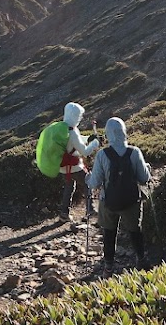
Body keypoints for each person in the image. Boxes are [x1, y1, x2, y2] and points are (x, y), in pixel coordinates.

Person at [87, 116, 151, 274]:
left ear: (108, 134)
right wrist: (147, 168)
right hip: (131, 201)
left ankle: (108, 267)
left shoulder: (102, 155)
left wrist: (88, 178)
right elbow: (144, 178)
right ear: (124, 132)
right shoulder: (134, 152)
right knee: (135, 231)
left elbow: (94, 183)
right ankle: (141, 260)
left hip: (108, 201)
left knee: (109, 233)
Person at [59, 102, 100, 223]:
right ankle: (90, 210)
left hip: (63, 167)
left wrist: (88, 138)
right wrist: (95, 143)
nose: (80, 118)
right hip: (74, 167)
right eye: (79, 115)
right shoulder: (72, 132)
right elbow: (85, 151)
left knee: (69, 187)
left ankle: (64, 213)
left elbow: (77, 139)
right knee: (88, 181)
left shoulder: (63, 128)